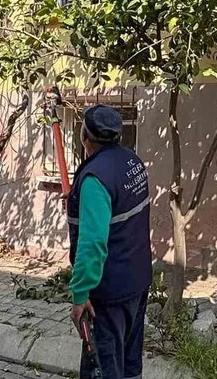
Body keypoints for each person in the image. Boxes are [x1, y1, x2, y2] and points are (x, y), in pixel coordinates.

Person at [67, 104, 152, 379]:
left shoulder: (95, 179)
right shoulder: (133, 162)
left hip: (109, 293)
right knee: (129, 363)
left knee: (104, 367)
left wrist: (81, 295)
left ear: (84, 136)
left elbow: (92, 244)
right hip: (137, 281)